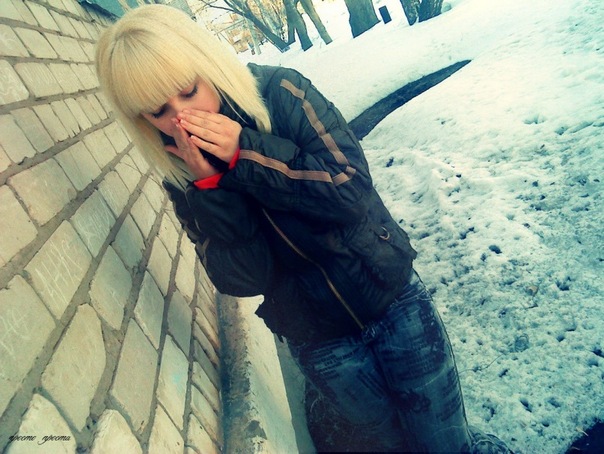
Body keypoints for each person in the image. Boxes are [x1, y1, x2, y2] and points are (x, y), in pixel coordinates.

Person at [95, 5, 510, 453]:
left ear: (206, 64)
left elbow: (350, 190)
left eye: (188, 90)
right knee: (389, 445)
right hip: (320, 342)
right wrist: (212, 189)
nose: (182, 117)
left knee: (446, 442)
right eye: (160, 111)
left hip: (393, 300)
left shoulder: (281, 92)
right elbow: (243, 279)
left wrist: (246, 154)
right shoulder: (182, 174)